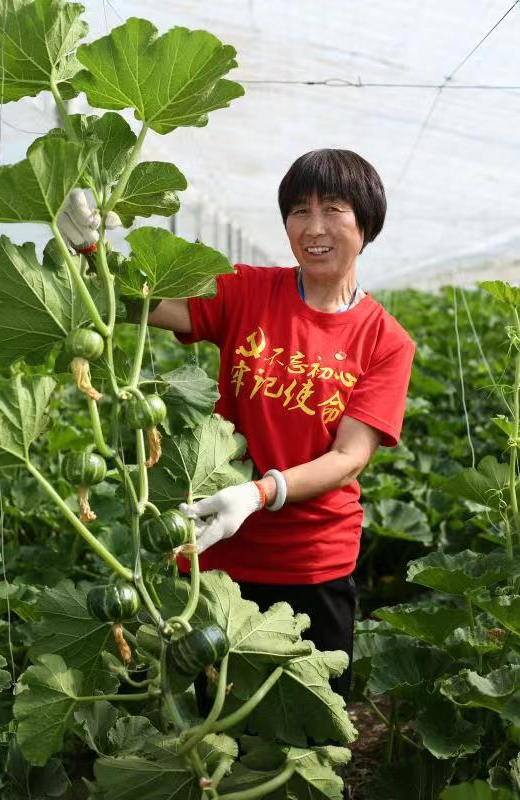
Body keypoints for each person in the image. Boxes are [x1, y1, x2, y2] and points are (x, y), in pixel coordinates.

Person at [59, 148, 416, 703]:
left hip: (314, 558)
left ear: (367, 222)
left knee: (312, 728)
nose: (315, 227)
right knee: (220, 714)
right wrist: (89, 249)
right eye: (299, 211)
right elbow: (144, 304)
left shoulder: (385, 339)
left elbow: (350, 456)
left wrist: (260, 492)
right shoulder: (248, 290)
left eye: (334, 210)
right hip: (220, 552)